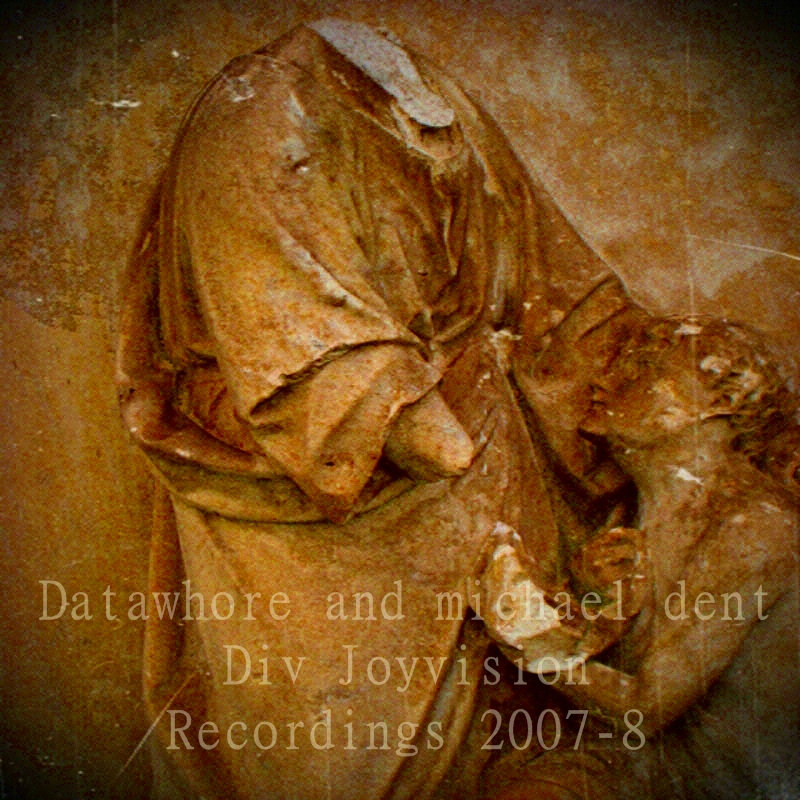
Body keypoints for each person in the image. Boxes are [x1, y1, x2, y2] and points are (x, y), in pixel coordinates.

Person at [117, 17, 653, 800]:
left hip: (483, 486)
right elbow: (311, 357)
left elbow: (562, 298)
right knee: (341, 764)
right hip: (330, 529)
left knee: (522, 755)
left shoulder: (434, 99)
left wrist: (696, 422)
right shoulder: (260, 108)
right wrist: (455, 465)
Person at [491, 317, 799, 799]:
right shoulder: (631, 515)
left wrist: (519, 632)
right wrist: (593, 598)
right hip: (622, 762)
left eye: (642, 367)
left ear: (718, 400)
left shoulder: (755, 527)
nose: (604, 380)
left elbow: (645, 707)